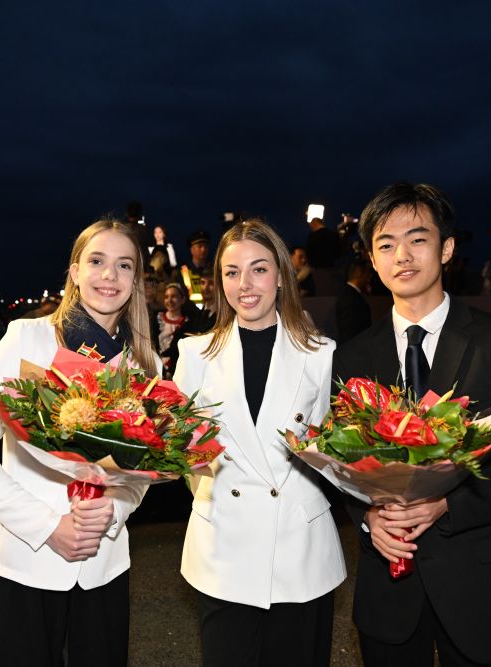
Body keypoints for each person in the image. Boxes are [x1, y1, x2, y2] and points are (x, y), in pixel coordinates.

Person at [335, 182, 491, 666]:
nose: (402, 255)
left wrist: (448, 504)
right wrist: (367, 518)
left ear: (447, 248)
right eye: (385, 244)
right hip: (390, 593)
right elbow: (340, 463)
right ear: (372, 261)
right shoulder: (351, 357)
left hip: (485, 585)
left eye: (417, 239)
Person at [0, 218, 156, 666]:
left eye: (124, 265)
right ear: (75, 272)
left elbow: (142, 468)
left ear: (136, 280)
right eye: (97, 261)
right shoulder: (27, 338)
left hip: (102, 565)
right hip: (24, 558)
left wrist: (113, 510)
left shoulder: (144, 362)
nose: (110, 275)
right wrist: (48, 527)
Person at [174, 219, 345, 666]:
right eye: (232, 272)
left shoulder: (321, 353)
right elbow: (181, 450)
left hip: (300, 550)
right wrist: (205, 492)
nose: (245, 284)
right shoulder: (195, 354)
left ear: (281, 275)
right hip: (223, 548)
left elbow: (334, 451)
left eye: (259, 269)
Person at [149, 282, 191, 377]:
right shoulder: (156, 319)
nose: (169, 300)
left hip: (178, 370)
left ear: (182, 300)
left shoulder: (188, 324)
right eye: (166, 297)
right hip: (155, 367)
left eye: (174, 296)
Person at [335, 259, 372, 342]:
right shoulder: (349, 297)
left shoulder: (350, 294)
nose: (369, 279)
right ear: (359, 273)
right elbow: (348, 330)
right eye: (367, 274)